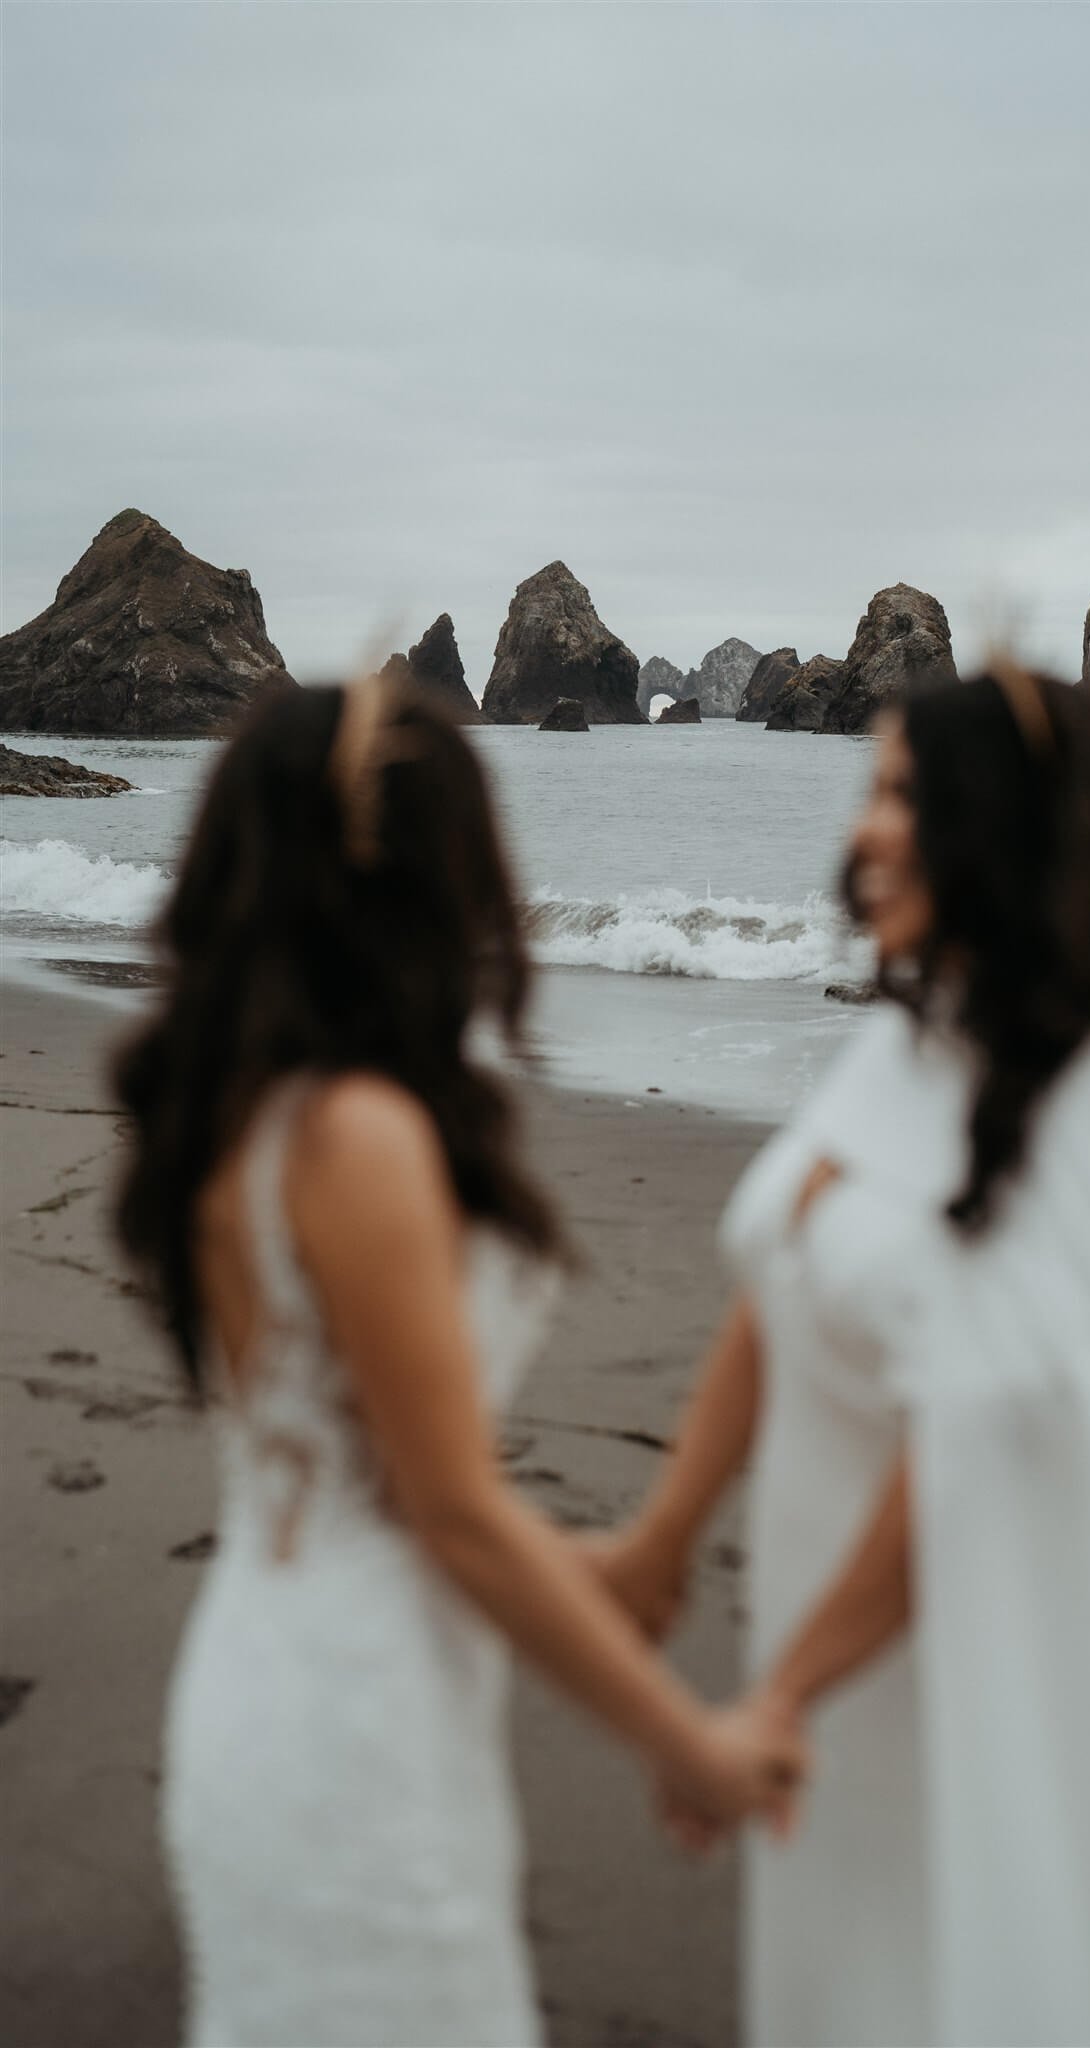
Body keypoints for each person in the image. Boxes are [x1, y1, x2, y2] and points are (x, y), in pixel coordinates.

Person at [588, 663, 1090, 2048]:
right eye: (867, 793)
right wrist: (660, 1541)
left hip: (992, 1666)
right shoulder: (907, 1036)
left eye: (899, 794)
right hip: (844, 1656)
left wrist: (779, 1694)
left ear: (998, 825)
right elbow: (779, 1288)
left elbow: (975, 1448)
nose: (866, 830)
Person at [112, 675, 805, 2048]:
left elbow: (379, 1482)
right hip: (354, 1733)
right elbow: (447, 1513)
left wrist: (600, 1568)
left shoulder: (247, 1106)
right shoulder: (356, 1132)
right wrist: (694, 1747)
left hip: (283, 1667)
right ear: (425, 869)